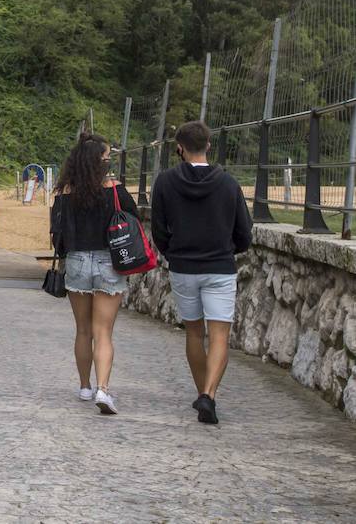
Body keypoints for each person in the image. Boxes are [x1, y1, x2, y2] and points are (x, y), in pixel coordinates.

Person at [150, 120, 252, 424]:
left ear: (179, 148)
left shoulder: (165, 182)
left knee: (194, 333)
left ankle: (201, 394)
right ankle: (209, 395)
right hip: (219, 267)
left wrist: (173, 253)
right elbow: (244, 231)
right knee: (219, 334)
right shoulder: (228, 183)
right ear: (208, 145)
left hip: (183, 267)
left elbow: (158, 229)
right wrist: (229, 250)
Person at [50, 133, 138, 415]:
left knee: (83, 330)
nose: (109, 161)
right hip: (108, 262)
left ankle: (85, 386)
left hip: (76, 261)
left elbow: (57, 236)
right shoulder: (116, 191)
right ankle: (103, 388)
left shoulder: (65, 194)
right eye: (107, 156)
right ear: (99, 161)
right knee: (103, 332)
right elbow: (134, 222)